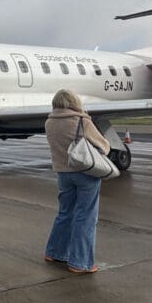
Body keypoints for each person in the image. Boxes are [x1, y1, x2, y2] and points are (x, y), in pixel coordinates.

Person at [43, 89, 111, 274]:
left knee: (65, 213)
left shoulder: (49, 121)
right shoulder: (81, 120)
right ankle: (80, 262)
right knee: (86, 217)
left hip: (62, 173)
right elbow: (104, 145)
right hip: (84, 172)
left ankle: (54, 252)